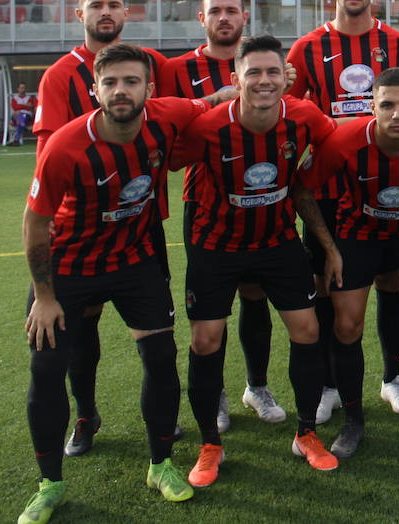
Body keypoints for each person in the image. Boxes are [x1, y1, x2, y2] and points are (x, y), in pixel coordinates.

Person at [17, 45, 207, 523]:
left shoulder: (168, 117)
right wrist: (44, 296)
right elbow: (35, 224)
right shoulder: (65, 147)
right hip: (70, 267)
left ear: (149, 88)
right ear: (95, 90)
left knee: (161, 357)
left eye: (131, 81)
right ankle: (50, 484)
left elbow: (216, 101)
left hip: (134, 261)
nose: (121, 90)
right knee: (46, 367)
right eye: (111, 83)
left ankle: (161, 465)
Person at [170, 35, 341, 485]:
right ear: (235, 79)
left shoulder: (305, 117)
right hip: (215, 243)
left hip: (277, 239)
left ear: (285, 77)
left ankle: (306, 433)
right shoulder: (208, 126)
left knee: (307, 329)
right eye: (253, 73)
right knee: (205, 340)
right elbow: (166, 158)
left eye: (272, 72)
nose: (263, 81)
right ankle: (210, 444)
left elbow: (336, 145)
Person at [33, 0, 177, 458]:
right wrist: (48, 214)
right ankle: (84, 414)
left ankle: (159, 423)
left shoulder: (151, 63)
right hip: (80, 226)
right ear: (81, 15)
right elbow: (46, 152)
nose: (106, 12)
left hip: (141, 221)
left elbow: (177, 114)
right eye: (96, 5)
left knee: (156, 339)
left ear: (127, 11)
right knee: (82, 329)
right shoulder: (58, 76)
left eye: (114, 4)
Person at [296, 68, 399, 456]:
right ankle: (354, 422)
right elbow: (302, 190)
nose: (397, 114)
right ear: (371, 106)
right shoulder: (343, 141)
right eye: (387, 105)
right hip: (358, 234)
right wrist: (331, 249)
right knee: (347, 323)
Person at [287, 0, 399, 426]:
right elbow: (291, 114)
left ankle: (391, 376)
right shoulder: (305, 49)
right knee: (327, 285)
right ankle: (328, 383)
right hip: (330, 188)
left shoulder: (397, 44)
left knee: (390, 279)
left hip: (386, 184)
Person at [160, 0, 286, 433]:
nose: (225, 18)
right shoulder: (178, 69)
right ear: (202, 18)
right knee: (212, 308)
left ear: (244, 17)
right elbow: (167, 124)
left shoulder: (264, 63)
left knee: (257, 296)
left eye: (232, 11)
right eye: (216, 12)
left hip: (267, 198)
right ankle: (214, 394)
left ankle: (258, 385)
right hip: (207, 202)